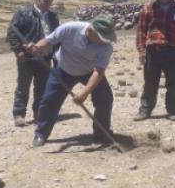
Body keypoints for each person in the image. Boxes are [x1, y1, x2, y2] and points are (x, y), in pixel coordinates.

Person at [26, 14, 116, 147]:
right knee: (49, 100)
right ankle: (41, 133)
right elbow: (49, 40)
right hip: (63, 69)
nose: (104, 41)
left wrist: (84, 93)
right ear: (91, 31)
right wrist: (37, 47)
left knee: (105, 98)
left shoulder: (106, 47)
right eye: (102, 37)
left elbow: (98, 72)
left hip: (89, 72)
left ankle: (101, 135)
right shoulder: (69, 28)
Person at [6, 0, 60, 127]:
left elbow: (57, 36)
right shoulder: (24, 13)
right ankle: (19, 114)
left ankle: (38, 113)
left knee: (42, 87)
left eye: (50, 2)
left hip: (46, 57)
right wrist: (18, 51)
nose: (47, 4)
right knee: (23, 87)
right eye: (45, 1)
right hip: (27, 57)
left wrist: (56, 55)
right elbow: (12, 32)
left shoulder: (53, 17)